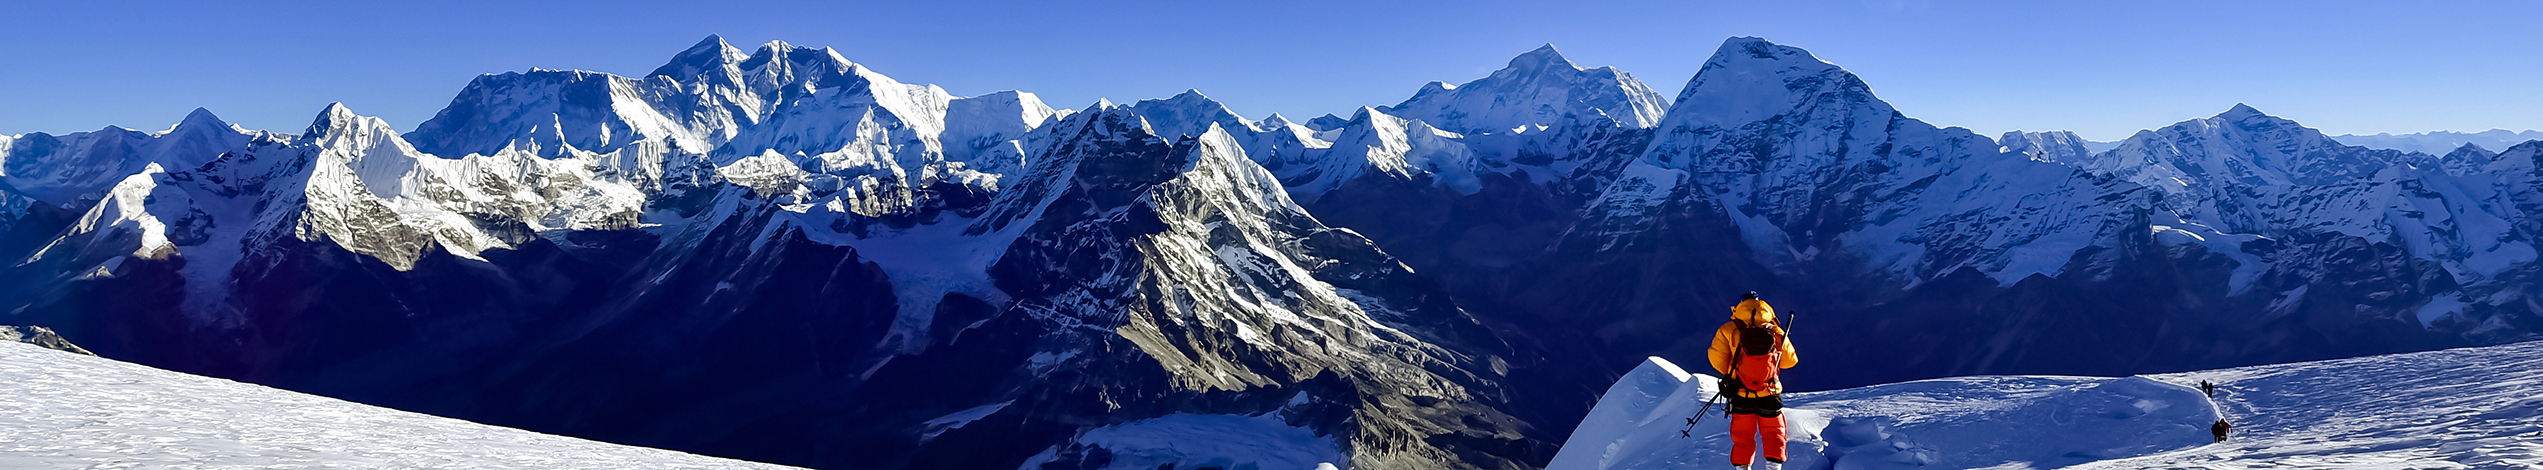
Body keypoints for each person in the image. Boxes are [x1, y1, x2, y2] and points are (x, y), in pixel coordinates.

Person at [1709, 292, 1799, 470]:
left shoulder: (1728, 329)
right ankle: (1774, 466)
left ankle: (1742, 468)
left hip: (1741, 393)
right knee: (1774, 432)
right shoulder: (1775, 330)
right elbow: (1790, 361)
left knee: (1743, 435)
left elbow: (1717, 362)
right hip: (1770, 391)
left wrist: (1735, 371)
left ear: (1740, 307)